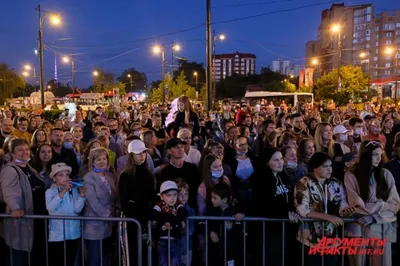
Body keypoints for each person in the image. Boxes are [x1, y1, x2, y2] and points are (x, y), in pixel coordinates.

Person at [295, 152, 356, 266]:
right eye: (325, 166)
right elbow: (302, 209)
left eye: (330, 166)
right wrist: (327, 217)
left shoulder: (336, 183)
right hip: (310, 239)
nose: (329, 169)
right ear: (315, 168)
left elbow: (342, 204)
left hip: (332, 239)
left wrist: (346, 212)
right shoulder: (303, 183)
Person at [345, 141, 400, 266]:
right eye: (375, 154)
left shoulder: (386, 174)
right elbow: (355, 203)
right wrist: (382, 205)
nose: (379, 158)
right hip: (358, 228)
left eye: (380, 154)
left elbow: (395, 204)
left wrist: (375, 215)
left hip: (382, 228)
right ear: (366, 155)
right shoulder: (351, 175)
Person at [46, 163, 85, 266]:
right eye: (61, 175)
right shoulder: (50, 192)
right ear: (54, 178)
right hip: (58, 236)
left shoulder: (74, 191)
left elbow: (77, 209)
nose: (65, 178)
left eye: (67, 175)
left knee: (70, 261)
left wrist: (81, 196)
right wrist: (63, 191)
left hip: (74, 234)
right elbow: (50, 208)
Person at [151, 181, 188, 266]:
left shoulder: (178, 205)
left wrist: (173, 221)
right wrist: (166, 217)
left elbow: (184, 213)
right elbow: (153, 214)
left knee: (175, 261)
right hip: (162, 240)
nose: (172, 198)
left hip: (175, 239)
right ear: (161, 196)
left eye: (175, 195)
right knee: (163, 262)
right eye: (168, 195)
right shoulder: (160, 205)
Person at [206, 182, 244, 266]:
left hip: (230, 254)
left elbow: (239, 231)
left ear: (224, 200)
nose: (211, 199)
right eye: (211, 197)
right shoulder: (210, 211)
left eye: (214, 198)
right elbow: (201, 225)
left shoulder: (234, 212)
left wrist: (240, 218)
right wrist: (210, 232)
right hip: (214, 254)